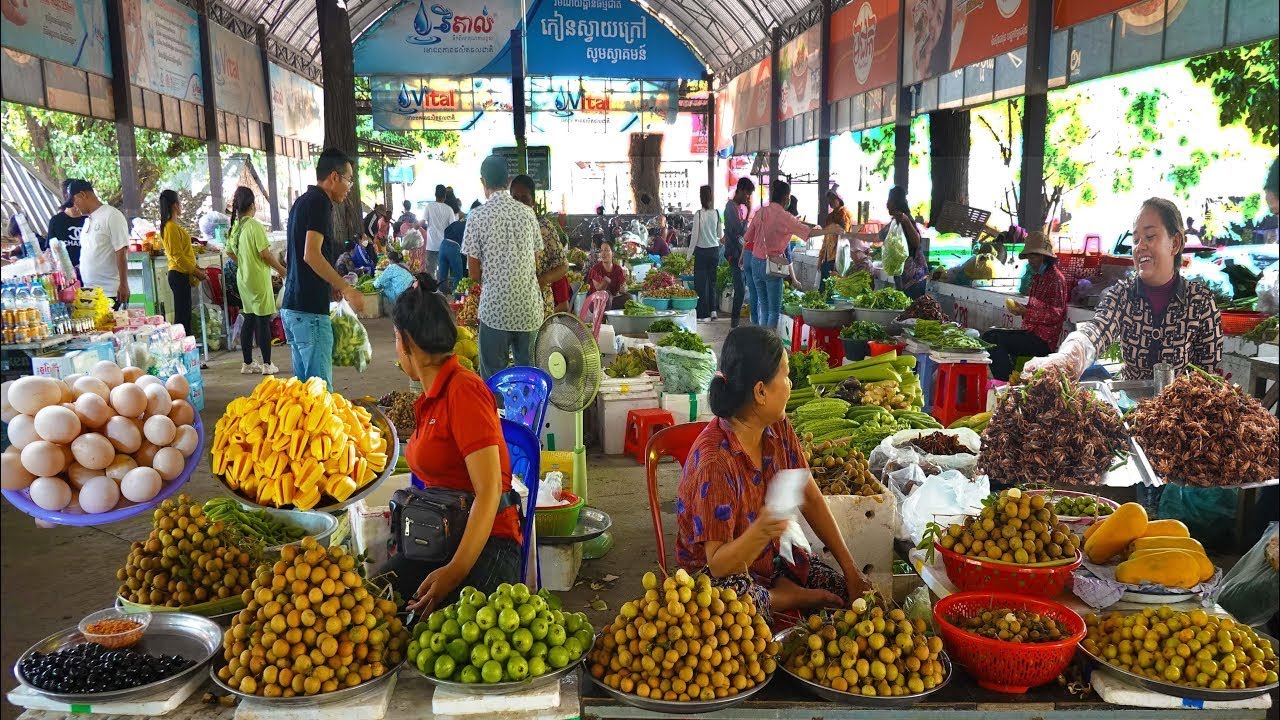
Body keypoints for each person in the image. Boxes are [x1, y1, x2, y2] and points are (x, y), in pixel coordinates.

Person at [675, 326, 871, 624]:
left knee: (841, 592)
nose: (790, 384)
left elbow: (810, 495)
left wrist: (851, 570)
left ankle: (782, 587)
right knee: (731, 601)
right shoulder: (716, 461)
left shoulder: (777, 426)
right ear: (761, 391)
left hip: (769, 559)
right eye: (786, 374)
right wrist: (763, 530)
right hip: (715, 579)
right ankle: (784, 597)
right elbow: (718, 565)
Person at [380, 274, 523, 612]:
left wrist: (454, 572)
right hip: (439, 535)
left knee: (435, 636)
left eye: (395, 339)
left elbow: (489, 492)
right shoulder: (430, 396)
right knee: (373, 604)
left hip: (489, 543)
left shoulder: (464, 391)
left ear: (407, 342)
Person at [1025, 197, 1222, 382]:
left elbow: (1208, 380)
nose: (1139, 247)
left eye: (1150, 236)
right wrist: (1069, 357)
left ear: (1175, 243)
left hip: (1180, 414)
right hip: (1129, 410)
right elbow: (1097, 330)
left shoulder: (1200, 303)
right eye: (1135, 240)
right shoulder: (1122, 295)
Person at [280, 147, 365, 387]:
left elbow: (292, 255)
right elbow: (311, 255)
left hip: (293, 309)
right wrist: (346, 288)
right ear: (334, 177)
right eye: (349, 179)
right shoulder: (320, 202)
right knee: (319, 397)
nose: (350, 187)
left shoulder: (301, 202)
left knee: (303, 397)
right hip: (309, 313)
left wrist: (328, 283)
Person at [462, 155, 543, 379]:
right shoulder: (528, 214)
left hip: (495, 310)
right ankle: (529, 415)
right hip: (528, 309)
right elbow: (535, 262)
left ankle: (496, 414)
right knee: (528, 379)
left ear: (483, 182)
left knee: (494, 379)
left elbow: (474, 272)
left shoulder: (476, 216)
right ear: (508, 181)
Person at [980, 232, 1068, 381]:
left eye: (1033, 257)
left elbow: (1056, 314)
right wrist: (1022, 309)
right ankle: (1009, 379)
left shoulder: (1056, 279)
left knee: (995, 340)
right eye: (1029, 257)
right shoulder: (1038, 277)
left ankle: (1007, 382)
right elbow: (1037, 307)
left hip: (1043, 340)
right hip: (1030, 332)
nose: (1030, 261)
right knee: (989, 336)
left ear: (1043, 256)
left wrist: (1026, 312)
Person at [743, 180, 830, 329]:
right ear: (786, 197)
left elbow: (747, 237)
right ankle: (768, 345)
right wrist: (829, 230)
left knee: (763, 306)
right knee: (773, 311)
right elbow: (808, 233)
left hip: (755, 262)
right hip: (772, 265)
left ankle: (762, 341)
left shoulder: (761, 212)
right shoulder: (785, 217)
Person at [226, 186, 286, 374]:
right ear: (252, 204)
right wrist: (282, 270)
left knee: (249, 319)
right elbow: (265, 254)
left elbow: (229, 251)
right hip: (258, 279)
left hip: (243, 279)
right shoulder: (254, 225)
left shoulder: (237, 226)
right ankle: (267, 364)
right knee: (262, 321)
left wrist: (244, 261)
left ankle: (248, 363)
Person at [510, 175, 568, 318]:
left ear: (533, 202)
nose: (519, 204)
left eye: (524, 199)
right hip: (509, 307)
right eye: (515, 199)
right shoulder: (504, 227)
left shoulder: (543, 227)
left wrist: (541, 281)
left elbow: (563, 266)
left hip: (538, 306)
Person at [70, 179, 130, 308]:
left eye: (75, 201)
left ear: (83, 195)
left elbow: (121, 251)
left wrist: (123, 283)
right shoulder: (87, 221)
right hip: (89, 292)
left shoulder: (111, 215)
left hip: (110, 292)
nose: (75, 206)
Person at [158, 190, 207, 335]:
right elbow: (178, 257)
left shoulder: (173, 227)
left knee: (185, 314)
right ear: (174, 205)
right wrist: (196, 272)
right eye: (179, 203)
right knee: (182, 317)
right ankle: (182, 347)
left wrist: (196, 267)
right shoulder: (170, 228)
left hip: (182, 274)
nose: (181, 206)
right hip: (178, 275)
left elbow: (184, 254)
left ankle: (186, 347)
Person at [885, 187, 929, 299]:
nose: (887, 204)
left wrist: (906, 221)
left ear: (895, 203)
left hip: (914, 279)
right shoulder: (894, 223)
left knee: (911, 312)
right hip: (903, 278)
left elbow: (917, 242)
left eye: (889, 201)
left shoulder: (906, 219)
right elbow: (877, 236)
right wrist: (848, 235)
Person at [723, 178, 753, 328]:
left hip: (739, 253)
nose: (748, 199)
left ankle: (735, 324)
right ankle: (734, 325)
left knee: (742, 288)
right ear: (740, 190)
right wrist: (747, 215)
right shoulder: (730, 208)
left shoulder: (736, 208)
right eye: (747, 195)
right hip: (734, 254)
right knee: (740, 289)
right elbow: (738, 231)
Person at [691, 185, 723, 322]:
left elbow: (694, 236)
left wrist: (688, 255)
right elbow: (719, 234)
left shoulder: (698, 214)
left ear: (701, 197)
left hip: (701, 252)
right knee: (712, 282)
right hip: (714, 251)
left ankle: (702, 314)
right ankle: (713, 311)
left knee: (700, 283)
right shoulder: (716, 213)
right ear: (711, 197)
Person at [46, 180, 86, 282]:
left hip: (89, 276)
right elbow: (50, 251)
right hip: (66, 279)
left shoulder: (89, 220)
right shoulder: (56, 221)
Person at [819, 191, 853, 285]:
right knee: (824, 287)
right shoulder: (830, 216)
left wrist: (838, 262)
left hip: (837, 257)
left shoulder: (844, 214)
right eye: (829, 199)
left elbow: (843, 237)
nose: (830, 201)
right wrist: (820, 258)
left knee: (833, 287)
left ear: (839, 200)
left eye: (833, 199)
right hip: (827, 257)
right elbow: (826, 238)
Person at [586, 241, 630, 310]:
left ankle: (610, 311)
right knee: (607, 294)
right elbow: (599, 289)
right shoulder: (595, 269)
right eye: (601, 250)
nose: (603, 253)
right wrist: (606, 281)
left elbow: (623, 286)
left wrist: (624, 288)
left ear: (613, 253)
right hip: (596, 302)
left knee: (628, 297)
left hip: (612, 301)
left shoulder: (618, 269)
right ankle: (604, 318)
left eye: (606, 250)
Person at [437, 200, 469, 294]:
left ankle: (441, 298)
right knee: (458, 276)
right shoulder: (468, 226)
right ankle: (457, 300)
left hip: (443, 245)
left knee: (442, 276)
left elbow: (445, 231)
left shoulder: (456, 223)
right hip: (454, 247)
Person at [424, 184, 454, 276]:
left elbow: (424, 222)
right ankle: (443, 288)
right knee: (444, 270)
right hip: (444, 245)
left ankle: (432, 289)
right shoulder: (449, 209)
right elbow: (452, 227)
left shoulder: (429, 206)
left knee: (430, 271)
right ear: (445, 196)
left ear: (435, 194)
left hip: (431, 245)